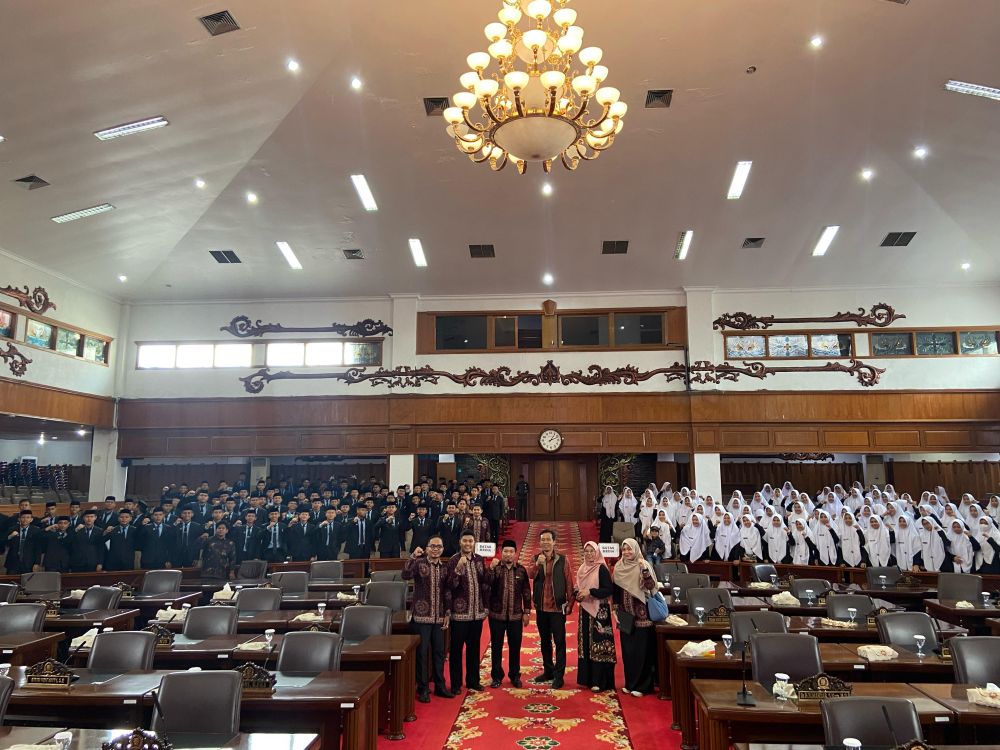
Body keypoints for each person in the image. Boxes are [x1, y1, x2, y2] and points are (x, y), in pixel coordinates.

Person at [402, 534, 454, 703]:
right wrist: (412, 557)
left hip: (438, 617)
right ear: (427, 548)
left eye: (439, 547)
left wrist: (447, 612)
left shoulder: (445, 568)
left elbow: (447, 592)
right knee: (422, 653)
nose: (435, 549)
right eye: (433, 546)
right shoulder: (419, 563)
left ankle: (440, 686)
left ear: (443, 549)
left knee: (439, 653)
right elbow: (405, 575)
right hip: (421, 617)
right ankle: (423, 688)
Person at [525, 527, 574, 689]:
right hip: (541, 607)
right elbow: (530, 576)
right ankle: (548, 671)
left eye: (548, 539)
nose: (545, 542)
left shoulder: (562, 559)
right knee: (545, 641)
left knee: (559, 642)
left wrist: (570, 603)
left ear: (554, 542)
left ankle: (559, 675)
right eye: (542, 540)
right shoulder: (536, 558)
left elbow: (569, 582)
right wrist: (537, 565)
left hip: (557, 608)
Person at [612, 537, 658, 697]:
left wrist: (644, 571)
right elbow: (616, 591)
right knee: (628, 652)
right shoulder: (618, 567)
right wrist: (615, 609)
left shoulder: (644, 565)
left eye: (629, 549)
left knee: (642, 652)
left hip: (642, 616)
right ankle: (630, 684)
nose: (626, 552)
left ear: (636, 549)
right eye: (624, 549)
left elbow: (652, 588)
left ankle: (644, 686)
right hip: (625, 615)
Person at [446, 531, 489, 694]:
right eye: (465, 541)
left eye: (470, 541)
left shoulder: (479, 559)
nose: (468, 544)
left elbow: (484, 584)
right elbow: (449, 586)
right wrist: (458, 569)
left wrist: (485, 607)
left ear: (474, 543)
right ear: (460, 542)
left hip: (476, 613)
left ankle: (473, 681)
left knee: (474, 649)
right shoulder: (453, 560)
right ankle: (456, 684)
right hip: (459, 614)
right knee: (456, 650)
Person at [486, 539, 531, 689]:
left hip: (516, 616)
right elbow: (487, 585)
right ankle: (496, 676)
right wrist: (491, 570)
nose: (508, 554)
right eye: (505, 551)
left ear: (515, 553)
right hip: (496, 615)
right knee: (496, 647)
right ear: (501, 553)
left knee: (515, 647)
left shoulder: (521, 570)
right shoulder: (496, 568)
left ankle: (514, 675)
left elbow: (526, 592)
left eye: (511, 552)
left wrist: (527, 612)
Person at [574, 541, 616, 692]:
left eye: (592, 551)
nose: (589, 554)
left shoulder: (601, 569)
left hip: (600, 612)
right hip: (584, 610)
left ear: (597, 552)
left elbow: (608, 590)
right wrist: (577, 595)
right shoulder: (582, 568)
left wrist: (590, 592)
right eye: (587, 551)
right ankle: (588, 679)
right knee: (585, 643)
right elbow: (577, 587)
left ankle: (600, 680)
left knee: (599, 644)